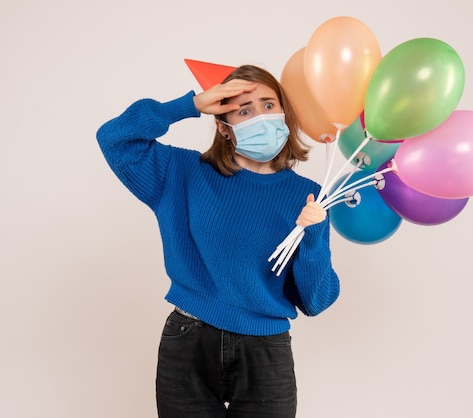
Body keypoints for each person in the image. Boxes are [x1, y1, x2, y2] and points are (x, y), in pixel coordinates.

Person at [96, 64, 340, 418]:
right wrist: (190, 104)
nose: (261, 117)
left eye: (269, 105)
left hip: (265, 352)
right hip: (189, 341)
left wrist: (314, 235)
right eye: (244, 110)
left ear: (285, 113)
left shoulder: (308, 198)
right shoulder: (181, 172)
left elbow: (316, 300)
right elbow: (114, 139)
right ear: (225, 128)